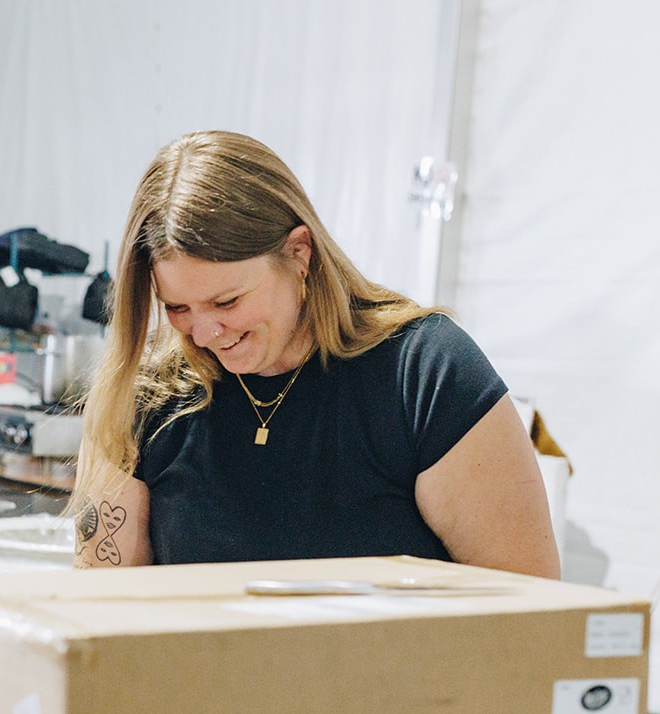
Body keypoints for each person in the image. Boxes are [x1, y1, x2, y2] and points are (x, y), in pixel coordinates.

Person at [72, 130, 559, 579]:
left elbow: (529, 610)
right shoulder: (149, 391)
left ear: (300, 253)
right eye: (176, 307)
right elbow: (101, 610)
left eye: (227, 302)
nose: (204, 332)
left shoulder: (424, 375)